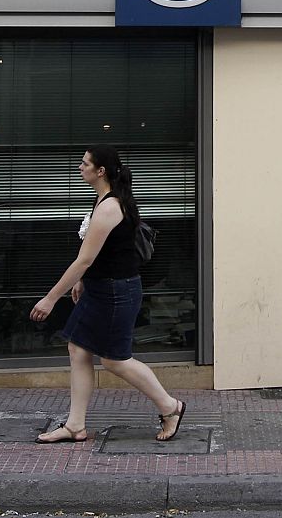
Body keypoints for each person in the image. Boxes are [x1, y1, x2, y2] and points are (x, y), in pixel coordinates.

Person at [30, 145, 187, 444]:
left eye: (85, 163)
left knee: (115, 361)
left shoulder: (110, 206)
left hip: (117, 293)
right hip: (102, 289)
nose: (80, 167)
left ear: (100, 171)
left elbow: (84, 260)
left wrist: (50, 298)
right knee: (78, 350)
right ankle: (76, 425)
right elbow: (103, 254)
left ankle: (171, 407)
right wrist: (83, 282)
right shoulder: (103, 199)